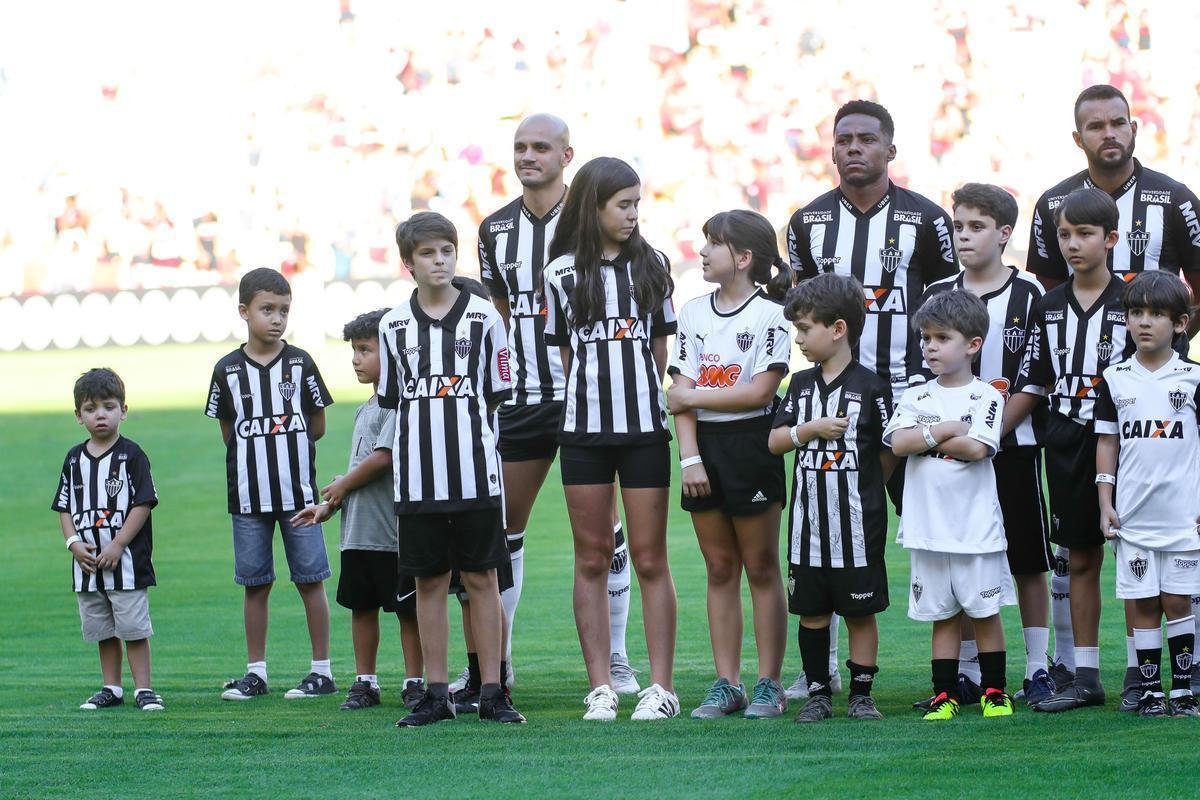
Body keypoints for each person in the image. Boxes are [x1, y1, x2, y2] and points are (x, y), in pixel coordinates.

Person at [1026, 84, 1200, 695]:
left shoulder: (1174, 199)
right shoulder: (1053, 203)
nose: (1109, 134)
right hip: (1076, 422)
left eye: (1118, 123)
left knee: (1167, 539)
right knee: (1084, 550)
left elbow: (1195, 289)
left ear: (1134, 127)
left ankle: (1155, 669)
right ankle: (1088, 670)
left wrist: (1164, 356)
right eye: (1095, 125)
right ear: (1079, 137)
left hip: (1156, 410)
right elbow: (1052, 294)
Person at [785, 99, 958, 697]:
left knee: (937, 535)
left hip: (911, 400)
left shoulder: (927, 219)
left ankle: (955, 673)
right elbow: (805, 310)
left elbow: (947, 309)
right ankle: (826, 675)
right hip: (839, 404)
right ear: (832, 149)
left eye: (866, 138)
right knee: (832, 529)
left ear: (890, 148)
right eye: (843, 139)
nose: (853, 147)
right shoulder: (807, 222)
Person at [475, 114, 637, 696]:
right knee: (503, 529)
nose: (527, 156)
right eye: (519, 147)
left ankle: (617, 658)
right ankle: (500, 662)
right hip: (522, 399)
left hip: (589, 399)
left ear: (568, 155)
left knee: (605, 535)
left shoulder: (594, 223)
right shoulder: (494, 229)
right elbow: (500, 309)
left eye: (540, 147)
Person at [542, 156, 679, 721]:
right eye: (622, 204)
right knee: (592, 556)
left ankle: (661, 687)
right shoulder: (561, 272)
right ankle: (600, 686)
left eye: (636, 204)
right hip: (583, 432)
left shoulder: (655, 264)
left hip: (645, 430)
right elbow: (566, 354)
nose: (632, 214)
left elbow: (659, 349)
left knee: (649, 558)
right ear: (593, 206)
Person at [380, 212, 524, 726]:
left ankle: (492, 691)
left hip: (475, 475)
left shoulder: (485, 319)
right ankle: (437, 694)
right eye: (427, 253)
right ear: (408, 263)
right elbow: (394, 402)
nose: (439, 261)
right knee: (430, 582)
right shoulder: (392, 326)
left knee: (484, 580)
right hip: (418, 479)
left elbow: (497, 396)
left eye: (446, 250)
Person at [915, 184, 1055, 707]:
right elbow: (922, 373)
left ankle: (1039, 666)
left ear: (1004, 233)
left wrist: (989, 434)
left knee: (1025, 558)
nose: (965, 236)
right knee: (960, 558)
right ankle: (970, 673)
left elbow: (1035, 378)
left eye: (977, 227)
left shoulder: (1030, 294)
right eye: (959, 227)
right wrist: (957, 436)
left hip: (1010, 449)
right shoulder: (937, 292)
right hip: (953, 456)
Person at [1006, 188, 1136, 712]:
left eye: (1085, 234)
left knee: (1135, 556)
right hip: (1064, 440)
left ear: (1111, 239)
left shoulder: (1135, 302)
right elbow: (1033, 380)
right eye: (1064, 234)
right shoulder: (1048, 305)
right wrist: (991, 436)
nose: (1073, 244)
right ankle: (1086, 675)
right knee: (1079, 557)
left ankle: (1140, 672)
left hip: (1128, 444)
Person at [665, 209, 792, 719]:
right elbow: (680, 392)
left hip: (752, 446)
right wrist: (690, 458)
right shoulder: (693, 313)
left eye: (713, 243)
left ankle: (769, 683)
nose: (703, 252)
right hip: (705, 452)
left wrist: (693, 397)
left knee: (761, 568)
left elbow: (761, 392)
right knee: (719, 568)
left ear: (743, 257)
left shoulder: (772, 314)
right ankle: (727, 683)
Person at [769, 273, 896, 723]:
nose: (799, 339)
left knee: (860, 612)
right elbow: (775, 442)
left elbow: (887, 452)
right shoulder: (800, 386)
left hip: (858, 525)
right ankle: (819, 691)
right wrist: (809, 431)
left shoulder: (872, 387)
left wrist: (859, 490)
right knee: (812, 612)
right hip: (807, 527)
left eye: (805, 329)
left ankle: (862, 693)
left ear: (837, 329)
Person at [884, 289, 1016, 719]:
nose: (930, 347)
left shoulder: (987, 396)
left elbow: (979, 449)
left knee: (983, 611)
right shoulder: (917, 395)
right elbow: (899, 443)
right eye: (925, 338)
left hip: (975, 528)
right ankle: (944, 694)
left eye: (942, 338)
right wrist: (942, 429)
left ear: (973, 345)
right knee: (941, 614)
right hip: (928, 528)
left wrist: (930, 437)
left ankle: (995, 690)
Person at [206, 267, 335, 701]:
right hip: (247, 497)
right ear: (244, 312)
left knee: (310, 579)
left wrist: (285, 447)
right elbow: (228, 431)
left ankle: (322, 670)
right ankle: (256, 672)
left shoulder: (300, 363)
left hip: (299, 496)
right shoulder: (226, 370)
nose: (277, 318)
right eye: (267, 310)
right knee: (255, 583)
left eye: (284, 310)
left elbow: (317, 424)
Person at [290, 309, 425, 711]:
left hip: (395, 532)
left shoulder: (399, 403)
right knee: (361, 606)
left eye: (365, 350)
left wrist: (343, 484)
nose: (355, 359)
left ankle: (415, 681)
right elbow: (358, 467)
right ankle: (365, 681)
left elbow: (383, 458)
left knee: (407, 610)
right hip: (359, 533)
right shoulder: (365, 408)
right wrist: (332, 503)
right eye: (354, 350)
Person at [1094, 271, 1200, 717]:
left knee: (1177, 600)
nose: (1144, 322)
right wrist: (1105, 504)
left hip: (1182, 515)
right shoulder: (1115, 378)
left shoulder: (1193, 377)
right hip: (1133, 516)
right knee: (1142, 603)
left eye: (1156, 314)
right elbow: (1107, 442)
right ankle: (1151, 690)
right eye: (1136, 312)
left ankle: (1183, 690)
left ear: (1179, 324)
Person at [53, 368, 163, 712]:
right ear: (78, 416)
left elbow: (143, 503)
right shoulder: (73, 459)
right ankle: (111, 687)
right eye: (90, 408)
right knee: (103, 629)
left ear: (123, 411)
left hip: (126, 564)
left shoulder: (132, 456)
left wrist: (118, 544)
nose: (100, 414)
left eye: (108, 406)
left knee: (132, 627)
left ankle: (144, 689)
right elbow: (64, 506)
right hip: (87, 568)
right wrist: (73, 543)